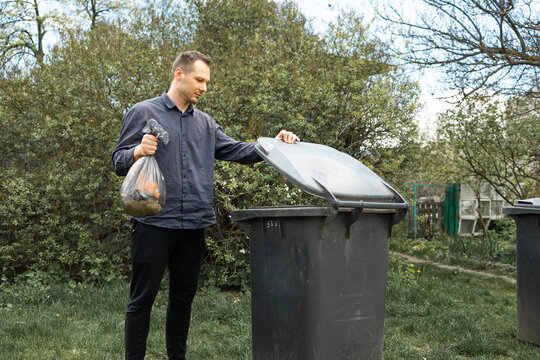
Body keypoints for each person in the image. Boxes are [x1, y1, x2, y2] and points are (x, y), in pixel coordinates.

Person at [111, 50, 299, 360]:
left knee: (183, 299)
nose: (204, 87)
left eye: (207, 81)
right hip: (153, 223)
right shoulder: (144, 112)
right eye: (200, 80)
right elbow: (117, 162)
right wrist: (136, 152)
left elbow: (240, 151)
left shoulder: (206, 124)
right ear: (179, 75)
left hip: (195, 224)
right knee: (141, 300)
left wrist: (274, 143)